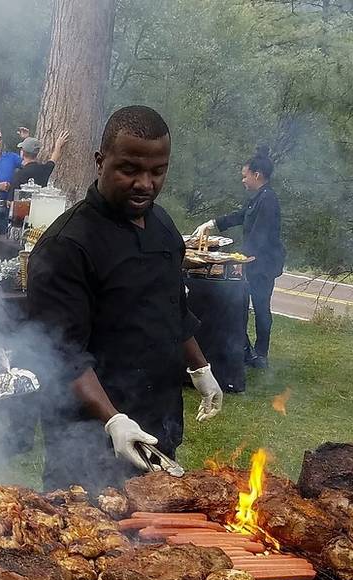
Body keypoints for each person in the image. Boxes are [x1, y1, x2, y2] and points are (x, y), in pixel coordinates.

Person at [27, 105, 223, 491]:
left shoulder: (163, 227)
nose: (145, 184)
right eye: (130, 169)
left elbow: (174, 308)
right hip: (88, 436)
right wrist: (114, 420)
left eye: (157, 171)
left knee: (155, 541)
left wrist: (201, 369)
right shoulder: (66, 246)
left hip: (158, 420)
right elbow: (62, 355)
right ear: (100, 162)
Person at [193, 147, 285, 369]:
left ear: (257, 175)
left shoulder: (268, 200)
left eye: (245, 176)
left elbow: (259, 237)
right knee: (241, 306)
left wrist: (237, 257)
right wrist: (213, 223)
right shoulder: (257, 199)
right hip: (253, 264)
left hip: (263, 266)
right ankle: (245, 350)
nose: (243, 180)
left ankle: (260, 354)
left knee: (261, 308)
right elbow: (240, 216)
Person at [9, 131, 70, 199]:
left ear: (22, 153)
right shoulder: (44, 169)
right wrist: (58, 145)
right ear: (37, 153)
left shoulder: (19, 174)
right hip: (38, 205)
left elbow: (11, 201)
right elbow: (54, 158)